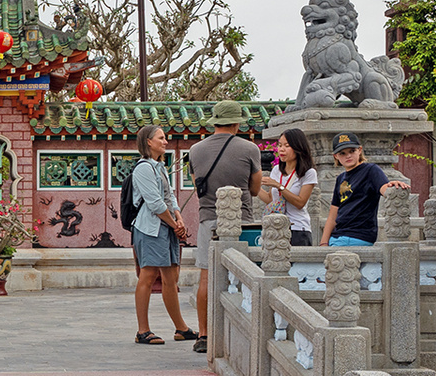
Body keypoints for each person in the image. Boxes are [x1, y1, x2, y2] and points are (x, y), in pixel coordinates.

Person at [189, 101, 263, 355]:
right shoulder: (250, 149)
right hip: (242, 221)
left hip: (208, 219)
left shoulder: (195, 150)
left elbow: (197, 185)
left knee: (206, 276)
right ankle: (243, 331)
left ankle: (203, 334)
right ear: (237, 122)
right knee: (243, 276)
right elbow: (254, 189)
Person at [129, 125, 193, 345]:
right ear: (148, 141)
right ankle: (142, 330)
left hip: (166, 226)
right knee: (147, 275)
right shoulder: (143, 168)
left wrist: (179, 218)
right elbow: (154, 203)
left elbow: (170, 196)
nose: (165, 142)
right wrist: (175, 224)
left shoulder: (160, 167)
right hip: (149, 228)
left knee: (170, 277)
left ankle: (181, 328)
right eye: (161, 138)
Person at [320, 132, 409, 246]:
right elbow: (333, 215)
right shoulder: (340, 178)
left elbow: (384, 188)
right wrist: (323, 242)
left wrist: (392, 185)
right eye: (342, 153)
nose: (348, 156)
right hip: (337, 237)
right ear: (335, 156)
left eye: (352, 151)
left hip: (359, 236)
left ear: (359, 150)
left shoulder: (371, 170)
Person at [257, 128, 319, 246]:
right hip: (276, 227)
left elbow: (300, 203)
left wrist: (278, 186)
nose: (281, 149)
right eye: (280, 145)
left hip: (297, 229)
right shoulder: (276, 170)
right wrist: (254, 187)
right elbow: (271, 199)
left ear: (298, 148)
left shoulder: (308, 172)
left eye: (287, 145)